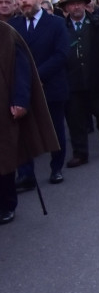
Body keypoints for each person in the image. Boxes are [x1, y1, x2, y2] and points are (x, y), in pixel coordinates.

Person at [11, 0, 71, 188]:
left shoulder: (55, 23)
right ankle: (26, 174)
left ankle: (56, 168)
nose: (24, 1)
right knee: (23, 132)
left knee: (54, 129)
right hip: (22, 88)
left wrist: (37, 75)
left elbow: (61, 54)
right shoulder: (13, 25)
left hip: (51, 84)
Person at [0, 20, 59, 224]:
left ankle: (6, 204)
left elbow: (20, 70)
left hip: (3, 106)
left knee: (4, 157)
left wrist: (20, 100)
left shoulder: (6, 33)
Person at [61, 0, 99, 166]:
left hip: (97, 81)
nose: (76, 7)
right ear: (66, 8)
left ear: (85, 5)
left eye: (79, 3)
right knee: (75, 120)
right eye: (72, 4)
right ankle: (80, 153)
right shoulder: (61, 27)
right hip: (73, 82)